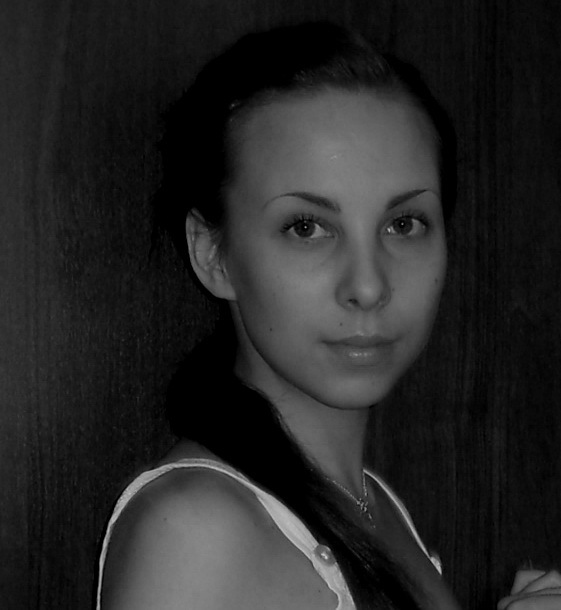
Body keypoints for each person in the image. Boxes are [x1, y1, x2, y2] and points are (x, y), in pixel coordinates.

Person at [95, 22, 561, 610]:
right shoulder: (194, 532)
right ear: (212, 254)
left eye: (403, 224)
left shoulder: (373, 506)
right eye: (307, 227)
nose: (368, 286)